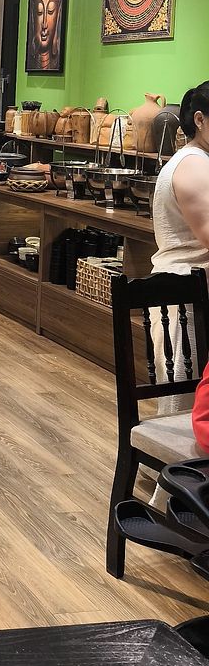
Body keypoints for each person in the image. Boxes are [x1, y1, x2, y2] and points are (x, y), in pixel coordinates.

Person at [150, 81, 209, 454]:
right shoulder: (193, 165)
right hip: (185, 299)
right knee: (184, 414)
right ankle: (171, 483)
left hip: (192, 295)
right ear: (200, 120)